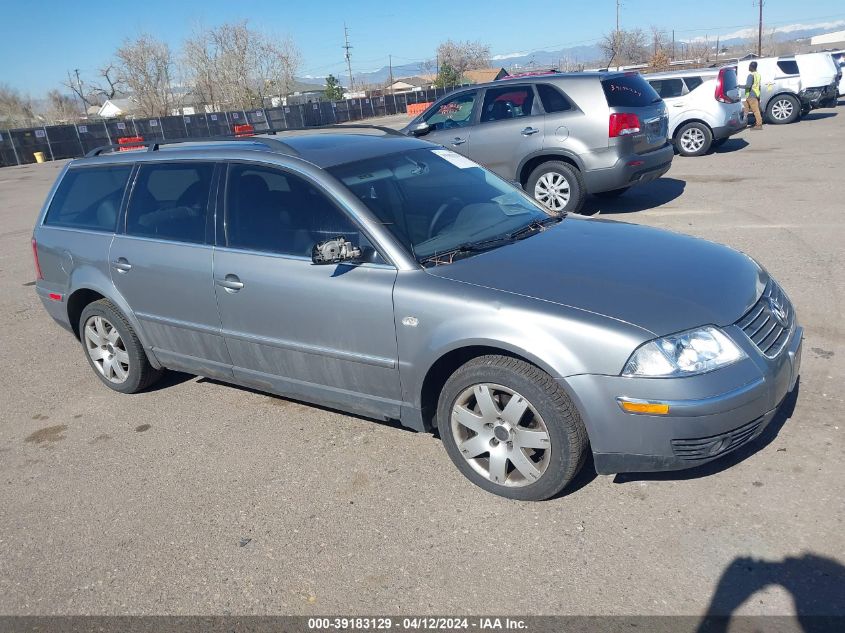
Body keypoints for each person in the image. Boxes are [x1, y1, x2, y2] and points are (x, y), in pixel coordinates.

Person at [742, 61, 763, 130]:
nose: (748, 67)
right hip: (754, 95)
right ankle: (743, 123)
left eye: (749, 66)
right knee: (746, 109)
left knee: (755, 110)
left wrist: (739, 86)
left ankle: (759, 125)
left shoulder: (751, 75)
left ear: (751, 67)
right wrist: (759, 95)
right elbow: (759, 86)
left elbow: (748, 85)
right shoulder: (758, 75)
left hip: (751, 95)